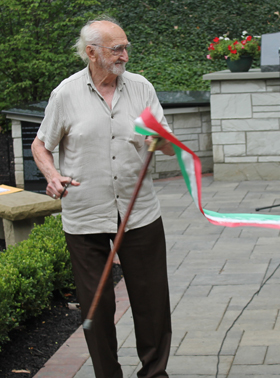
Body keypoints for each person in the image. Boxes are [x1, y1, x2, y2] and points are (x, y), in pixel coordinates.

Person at [31, 17, 174, 378]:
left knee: (152, 303)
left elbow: (166, 141)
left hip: (138, 213)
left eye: (126, 47)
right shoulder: (66, 94)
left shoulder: (141, 88)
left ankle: (155, 374)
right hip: (85, 214)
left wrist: (161, 139)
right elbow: (40, 144)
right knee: (98, 307)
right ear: (92, 53)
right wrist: (51, 176)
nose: (125, 54)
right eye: (117, 49)